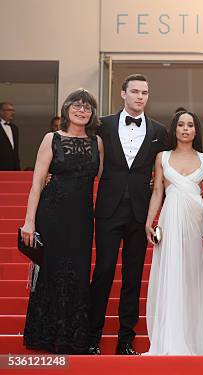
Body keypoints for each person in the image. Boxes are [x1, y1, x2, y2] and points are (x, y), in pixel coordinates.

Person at [89, 74, 168, 355]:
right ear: (123, 93)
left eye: (144, 92)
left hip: (139, 211)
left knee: (133, 277)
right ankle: (92, 337)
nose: (140, 97)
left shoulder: (159, 130)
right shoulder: (102, 125)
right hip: (109, 209)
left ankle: (126, 340)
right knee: (104, 272)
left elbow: (164, 171)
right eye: (134, 91)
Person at [20, 89, 103, 354]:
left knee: (78, 272)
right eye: (77, 106)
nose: (82, 111)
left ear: (92, 114)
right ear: (66, 109)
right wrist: (29, 222)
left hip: (81, 217)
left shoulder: (97, 142)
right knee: (52, 271)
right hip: (53, 212)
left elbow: (105, 178)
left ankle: (74, 337)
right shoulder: (51, 138)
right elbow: (36, 183)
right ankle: (46, 335)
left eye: (88, 107)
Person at [144, 111, 203, 355]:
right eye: (181, 125)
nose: (185, 129)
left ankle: (194, 338)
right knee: (172, 273)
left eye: (190, 125)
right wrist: (149, 221)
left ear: (196, 130)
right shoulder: (162, 157)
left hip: (197, 221)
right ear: (174, 129)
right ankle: (171, 338)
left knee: (193, 276)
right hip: (171, 218)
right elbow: (158, 191)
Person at [0, 101, 20, 170]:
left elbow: (15, 150)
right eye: (9, 110)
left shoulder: (15, 128)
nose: (12, 113)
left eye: (13, 110)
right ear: (1, 112)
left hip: (13, 167)